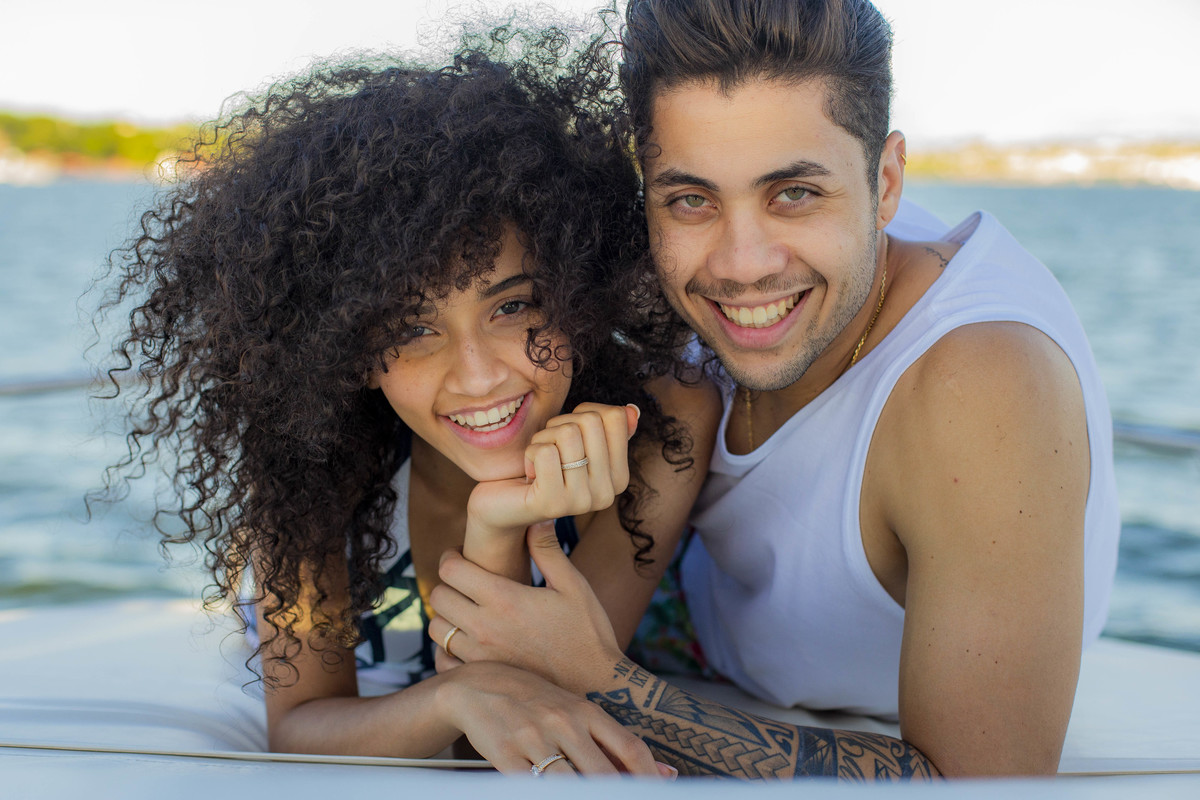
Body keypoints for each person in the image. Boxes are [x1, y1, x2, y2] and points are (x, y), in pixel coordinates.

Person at [429, 0, 1120, 779]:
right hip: (686, 596)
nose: (741, 263)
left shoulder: (984, 383)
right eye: (691, 199)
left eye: (793, 193)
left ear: (884, 183)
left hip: (704, 649)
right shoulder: (679, 289)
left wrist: (607, 682)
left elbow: (979, 785)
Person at [96, 30, 717, 777]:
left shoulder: (660, 425)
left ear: (578, 290)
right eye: (412, 329)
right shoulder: (311, 459)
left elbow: (510, 739)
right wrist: (453, 698)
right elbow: (299, 724)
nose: (478, 375)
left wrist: (499, 525)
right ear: (351, 349)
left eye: (514, 306)